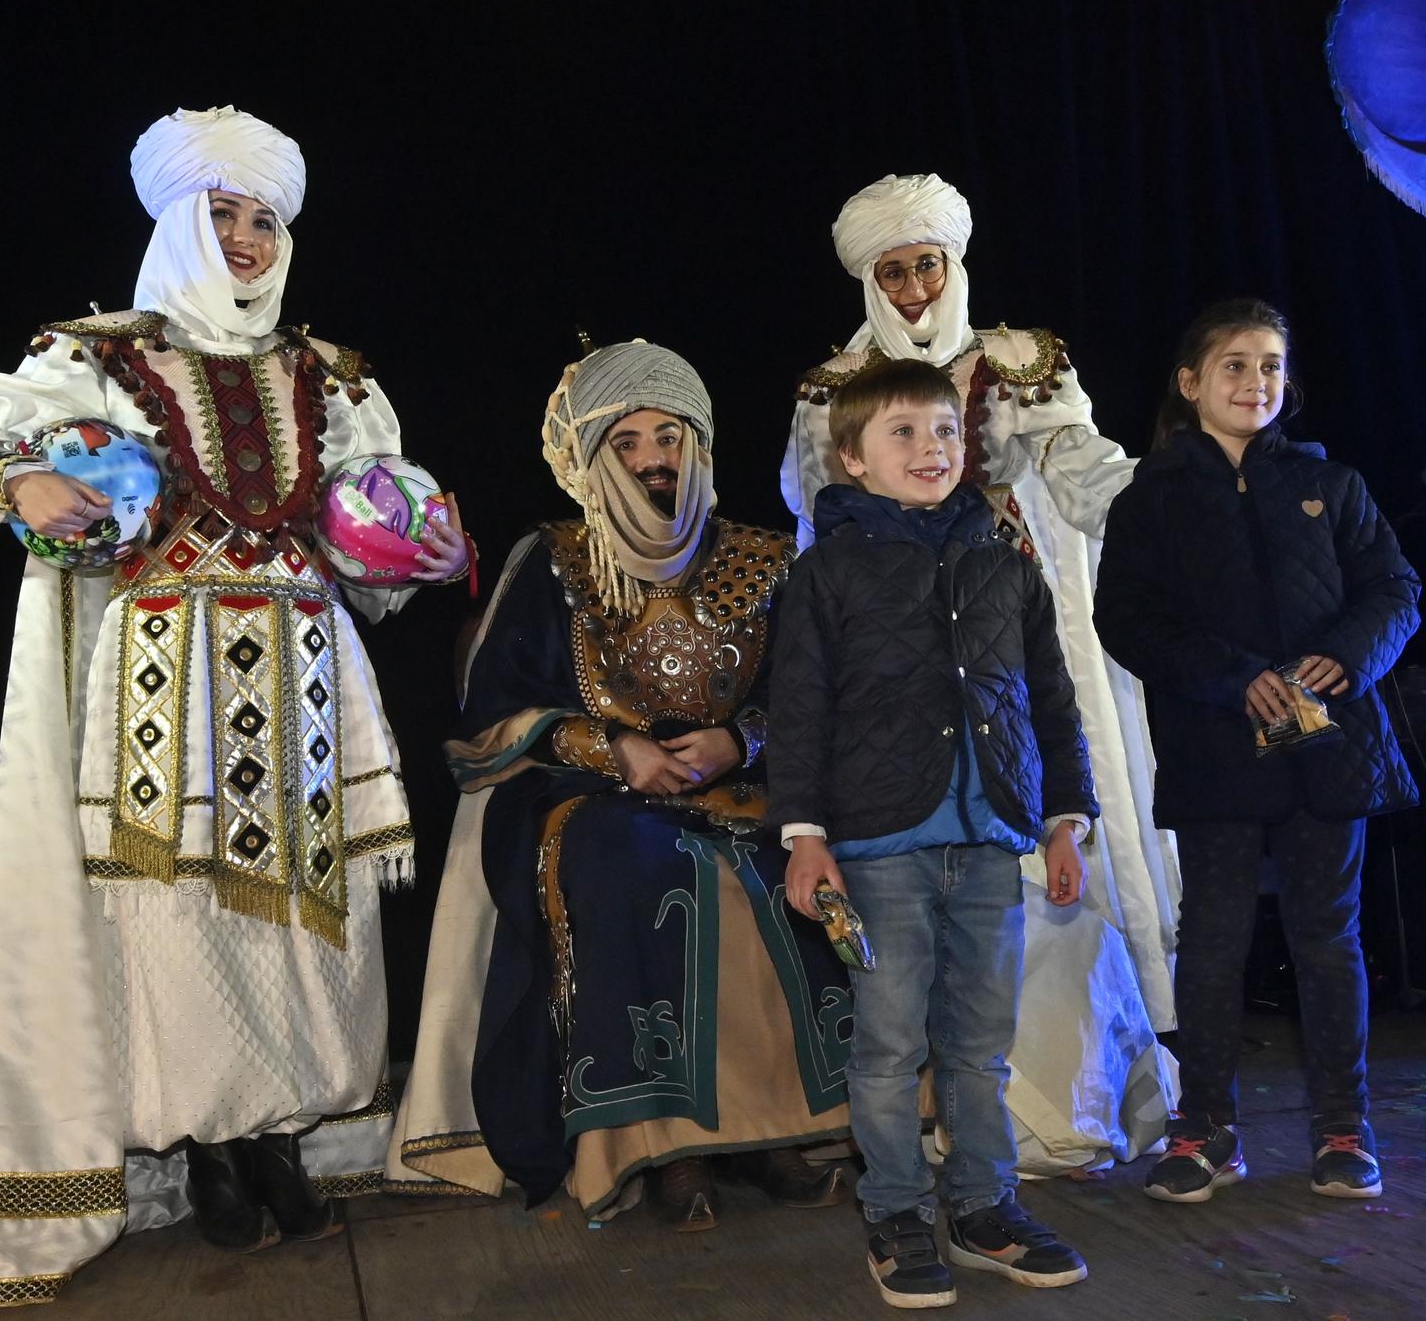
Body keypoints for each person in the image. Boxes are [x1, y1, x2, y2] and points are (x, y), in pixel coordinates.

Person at [0, 106, 468, 1308]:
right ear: (176, 220)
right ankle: (211, 1149)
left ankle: (284, 1136)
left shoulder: (326, 375)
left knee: (312, 916)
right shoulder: (92, 358)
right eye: (224, 213)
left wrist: (406, 539)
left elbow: (364, 540)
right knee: (179, 923)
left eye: (265, 218)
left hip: (305, 670)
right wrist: (20, 479)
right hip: (163, 674)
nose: (248, 237)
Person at [386, 341, 855, 1230]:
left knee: (775, 858)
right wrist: (616, 749)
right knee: (635, 859)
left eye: (668, 437)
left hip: (746, 786)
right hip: (592, 795)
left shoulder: (764, 557)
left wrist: (738, 736)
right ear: (594, 456)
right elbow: (491, 716)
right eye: (629, 440)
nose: (652, 459)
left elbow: (811, 694)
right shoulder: (552, 558)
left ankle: (780, 1130)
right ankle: (662, 1140)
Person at [780, 172, 1175, 1176]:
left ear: (952, 267)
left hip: (1014, 630)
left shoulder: (1021, 362)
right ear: (870, 279)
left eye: (926, 264)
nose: (912, 286)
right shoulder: (832, 387)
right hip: (898, 666)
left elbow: (1086, 476)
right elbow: (815, 518)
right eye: (892, 269)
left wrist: (1182, 506)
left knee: (1053, 852)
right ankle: (926, 1146)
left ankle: (1069, 1100)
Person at [770, 358, 1095, 1310]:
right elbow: (799, 710)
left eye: (945, 430)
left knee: (980, 1041)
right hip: (879, 847)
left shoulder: (1002, 556)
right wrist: (805, 837)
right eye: (903, 433)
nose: (931, 448)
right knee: (887, 1043)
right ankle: (898, 1211)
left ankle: (986, 1206)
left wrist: (1064, 823)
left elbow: (1052, 700)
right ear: (853, 459)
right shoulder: (826, 571)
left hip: (992, 837)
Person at [1093, 298, 1420, 1204]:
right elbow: (1124, 618)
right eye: (1234, 365)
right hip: (1217, 747)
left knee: (1328, 936)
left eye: (1271, 365)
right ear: (1191, 382)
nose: (1255, 382)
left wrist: (1348, 656)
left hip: (1329, 748)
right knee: (1213, 939)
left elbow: (1397, 589)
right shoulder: (1151, 497)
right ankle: (1204, 1129)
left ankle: (1342, 1128)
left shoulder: (1334, 485)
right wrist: (1233, 676)